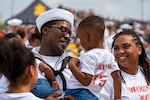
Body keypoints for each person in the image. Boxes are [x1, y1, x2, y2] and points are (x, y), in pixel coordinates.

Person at [65, 15, 121, 100]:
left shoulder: (90, 55)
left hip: (78, 92)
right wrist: (117, 98)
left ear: (86, 37)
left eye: (80, 38)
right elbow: (117, 77)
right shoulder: (110, 56)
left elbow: (86, 81)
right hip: (94, 95)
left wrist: (71, 65)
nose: (80, 42)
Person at [30, 8, 75, 99]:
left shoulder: (75, 64)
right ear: (45, 30)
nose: (67, 36)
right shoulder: (25, 61)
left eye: (70, 34)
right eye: (63, 29)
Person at [99, 29, 150, 100]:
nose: (120, 51)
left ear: (139, 49)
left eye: (126, 46)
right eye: (116, 48)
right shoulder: (109, 78)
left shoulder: (146, 72)